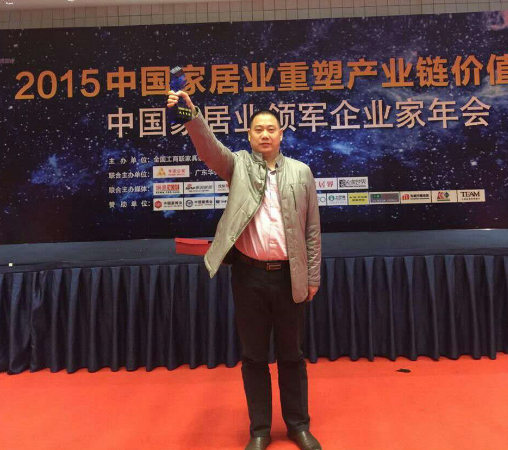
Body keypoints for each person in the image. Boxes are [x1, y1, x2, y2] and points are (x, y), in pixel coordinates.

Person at [167, 90, 322, 450]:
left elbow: (312, 230)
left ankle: (298, 425)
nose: (265, 134)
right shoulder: (237, 165)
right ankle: (260, 430)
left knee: (292, 356)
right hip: (249, 276)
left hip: (290, 277)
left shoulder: (302, 172)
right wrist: (192, 117)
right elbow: (209, 150)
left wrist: (312, 278)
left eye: (271, 129)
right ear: (249, 136)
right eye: (258, 130)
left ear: (281, 135)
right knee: (254, 357)